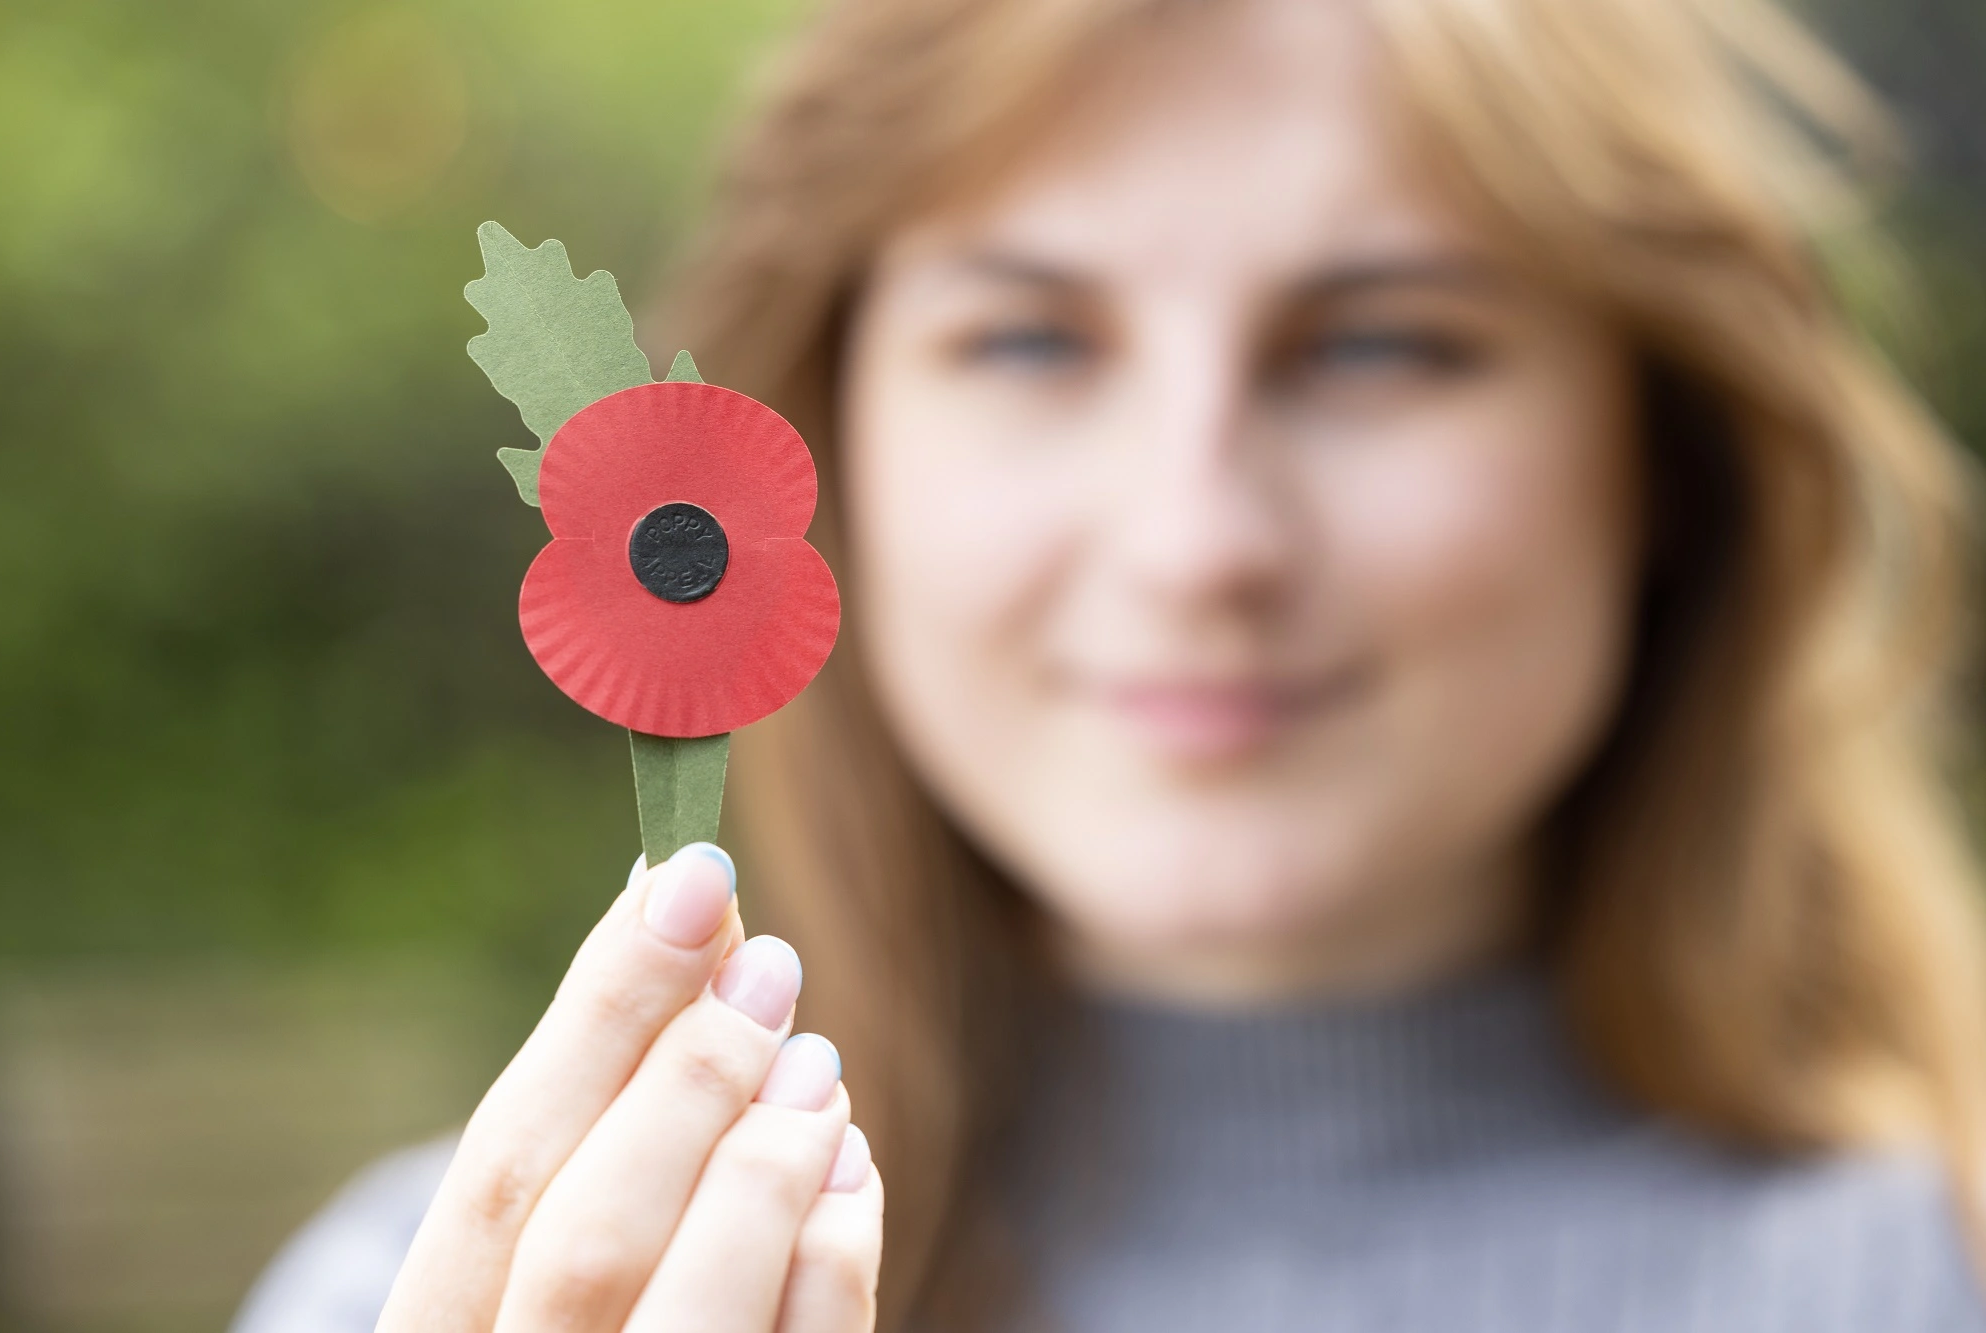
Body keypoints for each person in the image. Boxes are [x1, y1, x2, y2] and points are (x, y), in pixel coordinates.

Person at [232, 0, 1986, 1329]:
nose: (1195, 539)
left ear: (1662, 463)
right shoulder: (453, 1292)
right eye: (1028, 339)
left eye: (1382, 345)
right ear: (822, 444)